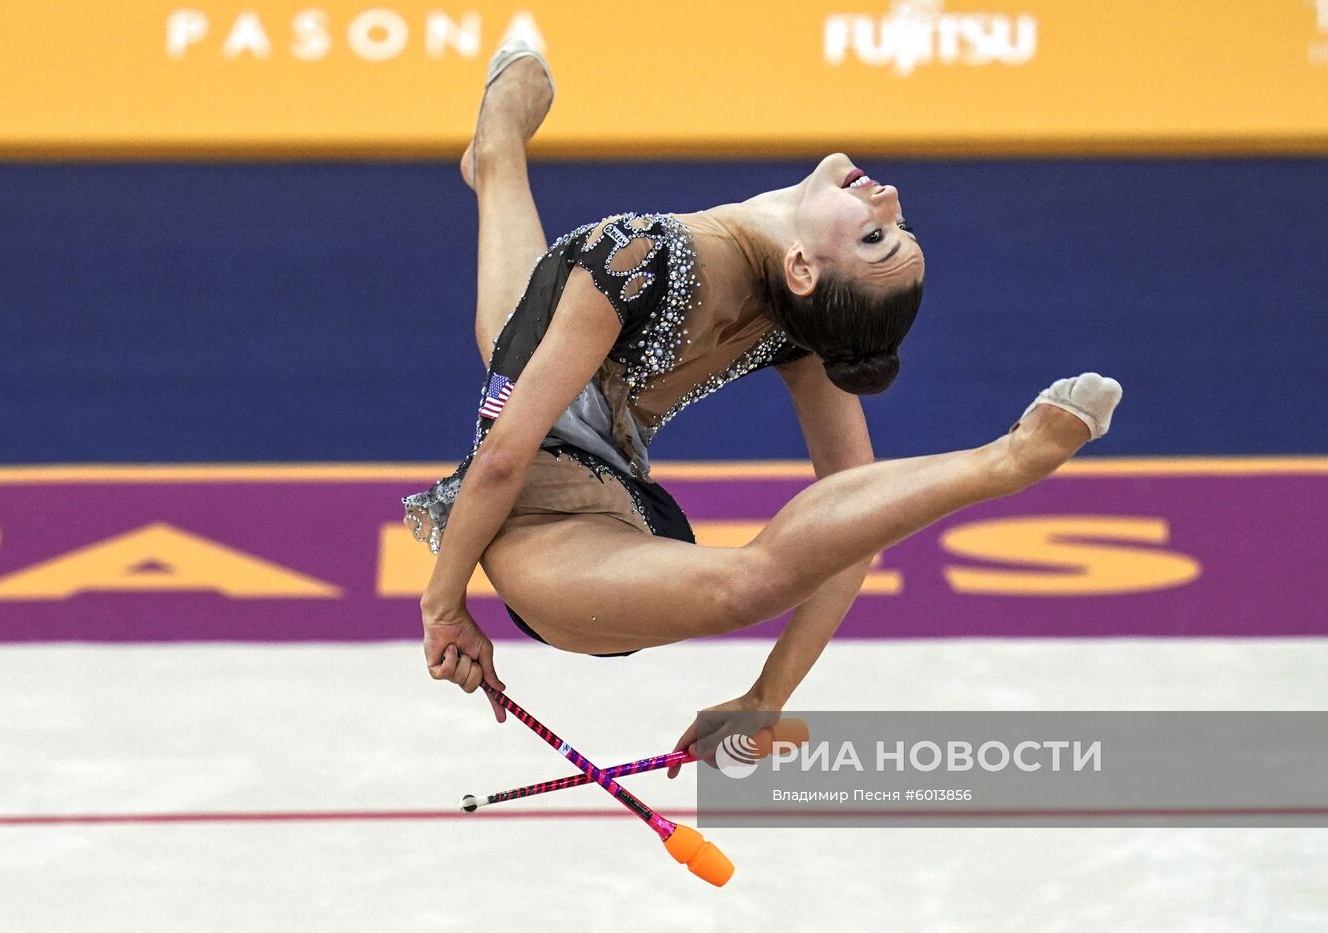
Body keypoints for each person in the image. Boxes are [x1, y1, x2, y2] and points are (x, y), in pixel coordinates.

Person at [401, 37, 1123, 763]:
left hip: (561, 531)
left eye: (877, 237)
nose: (892, 199)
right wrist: (447, 598)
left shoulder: (675, 272)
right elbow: (502, 457)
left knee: (740, 579)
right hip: (549, 516)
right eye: (898, 231)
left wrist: (764, 699)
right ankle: (496, 149)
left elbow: (855, 518)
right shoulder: (662, 271)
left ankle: (1007, 460)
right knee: (520, 346)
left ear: (805, 268)